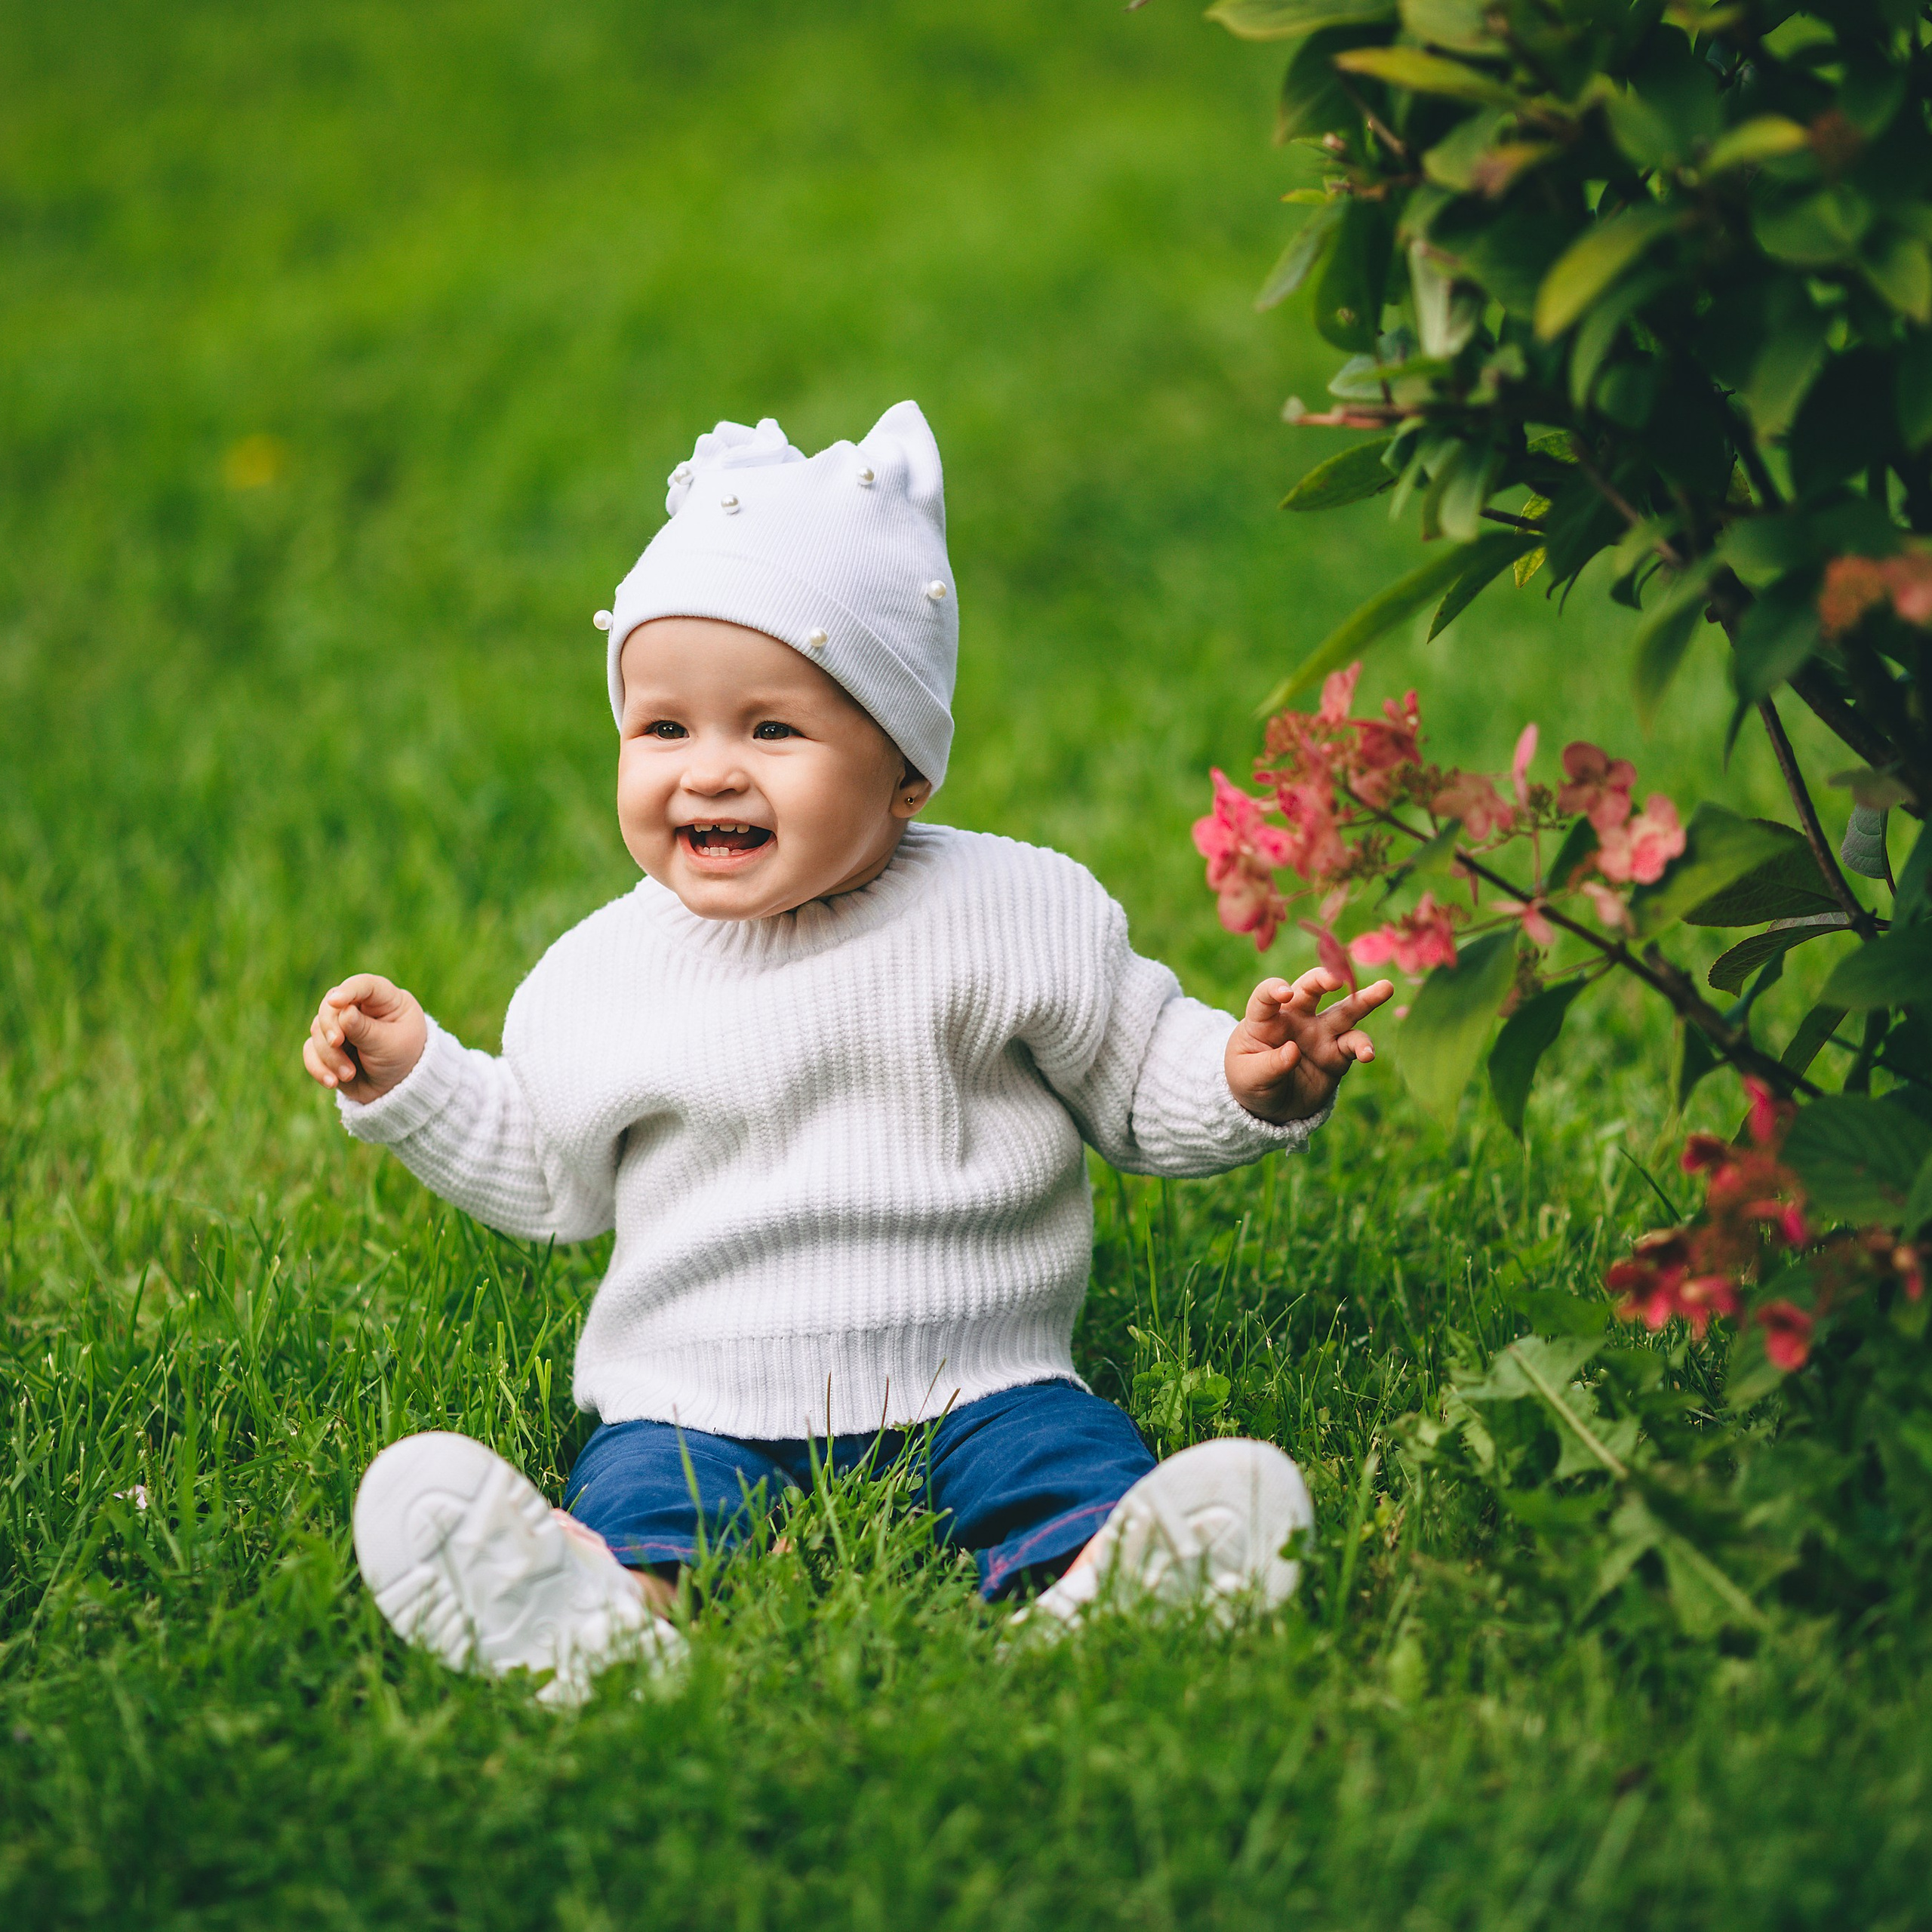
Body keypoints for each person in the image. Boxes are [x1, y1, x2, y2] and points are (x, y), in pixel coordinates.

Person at [306, 403, 1393, 1703]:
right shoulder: (603, 974)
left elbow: (1134, 1071)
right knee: (652, 1486)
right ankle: (605, 1609)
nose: (709, 773)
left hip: (980, 1365)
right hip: (695, 1382)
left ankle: (1110, 1576)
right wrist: (419, 1079)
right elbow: (548, 1170)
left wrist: (1245, 1081)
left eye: (771, 730)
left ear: (906, 769)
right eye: (664, 730)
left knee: (1059, 1457)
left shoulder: (1014, 912)